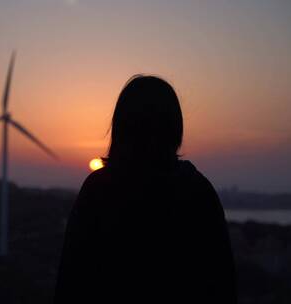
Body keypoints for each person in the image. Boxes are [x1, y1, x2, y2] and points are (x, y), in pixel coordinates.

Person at [54, 75, 237, 303]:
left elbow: (71, 279)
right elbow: (222, 283)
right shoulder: (198, 191)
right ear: (175, 126)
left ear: (121, 127)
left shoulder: (98, 190)